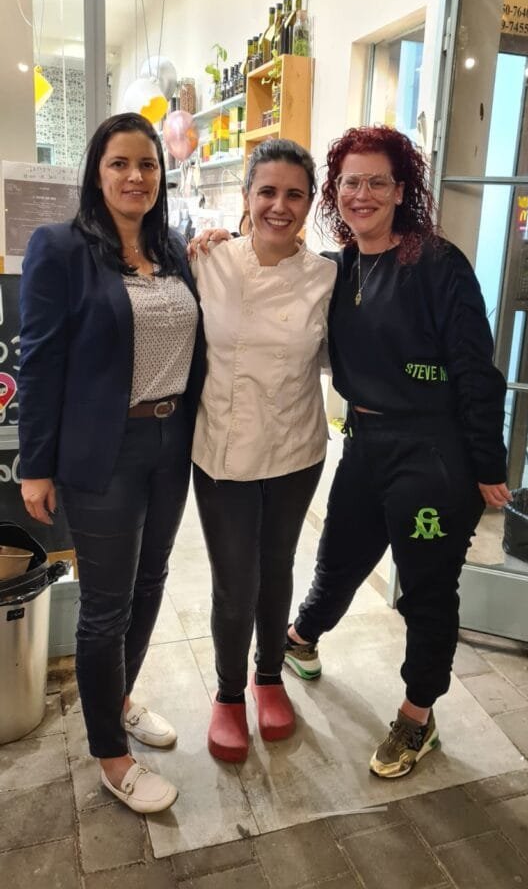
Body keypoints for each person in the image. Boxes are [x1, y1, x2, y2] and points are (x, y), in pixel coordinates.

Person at [283, 125, 511, 779]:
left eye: (376, 182)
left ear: (401, 189)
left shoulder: (437, 264)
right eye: (350, 182)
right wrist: (219, 243)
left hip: (432, 453)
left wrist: (487, 464)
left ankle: (418, 715)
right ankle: (301, 638)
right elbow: (269, 270)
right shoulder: (339, 267)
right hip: (365, 442)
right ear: (336, 191)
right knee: (339, 555)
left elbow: (474, 370)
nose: (362, 194)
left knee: (427, 590)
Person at [18, 113, 205, 813]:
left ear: (162, 175)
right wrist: (35, 465)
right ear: (96, 173)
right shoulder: (61, 248)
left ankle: (119, 698)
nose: (135, 176)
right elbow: (39, 363)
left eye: (147, 164)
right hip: (104, 450)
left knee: (152, 579)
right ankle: (111, 756)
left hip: (172, 443)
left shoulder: (172, 248)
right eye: (120, 163)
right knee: (106, 604)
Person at [190, 138, 336, 764]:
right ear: (247, 196)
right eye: (267, 192)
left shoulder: (327, 277)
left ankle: (269, 675)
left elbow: (343, 356)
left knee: (277, 567)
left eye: (294, 194)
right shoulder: (208, 260)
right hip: (221, 450)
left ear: (310, 202)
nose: (280, 205)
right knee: (235, 578)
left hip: (297, 447)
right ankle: (228, 693)